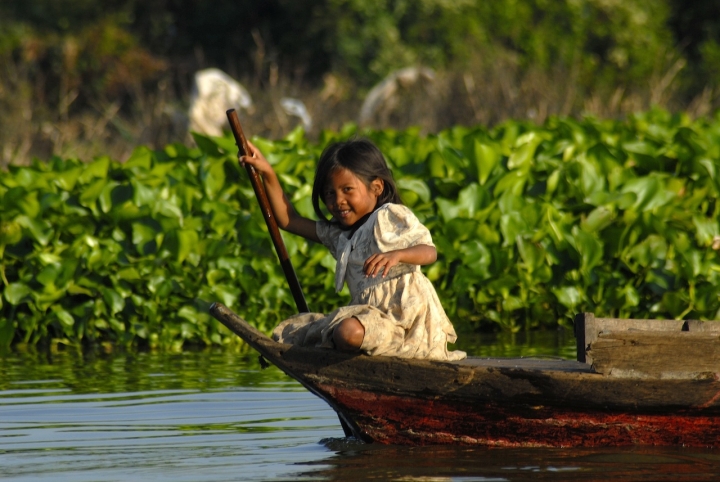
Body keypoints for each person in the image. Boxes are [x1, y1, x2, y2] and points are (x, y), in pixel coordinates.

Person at [240, 138, 466, 361]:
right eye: (330, 193)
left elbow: (429, 252)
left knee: (347, 332)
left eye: (348, 189)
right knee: (299, 331)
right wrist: (267, 173)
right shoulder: (339, 235)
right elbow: (288, 220)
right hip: (371, 321)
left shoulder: (388, 216)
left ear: (376, 187)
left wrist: (397, 255)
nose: (338, 200)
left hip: (404, 325)